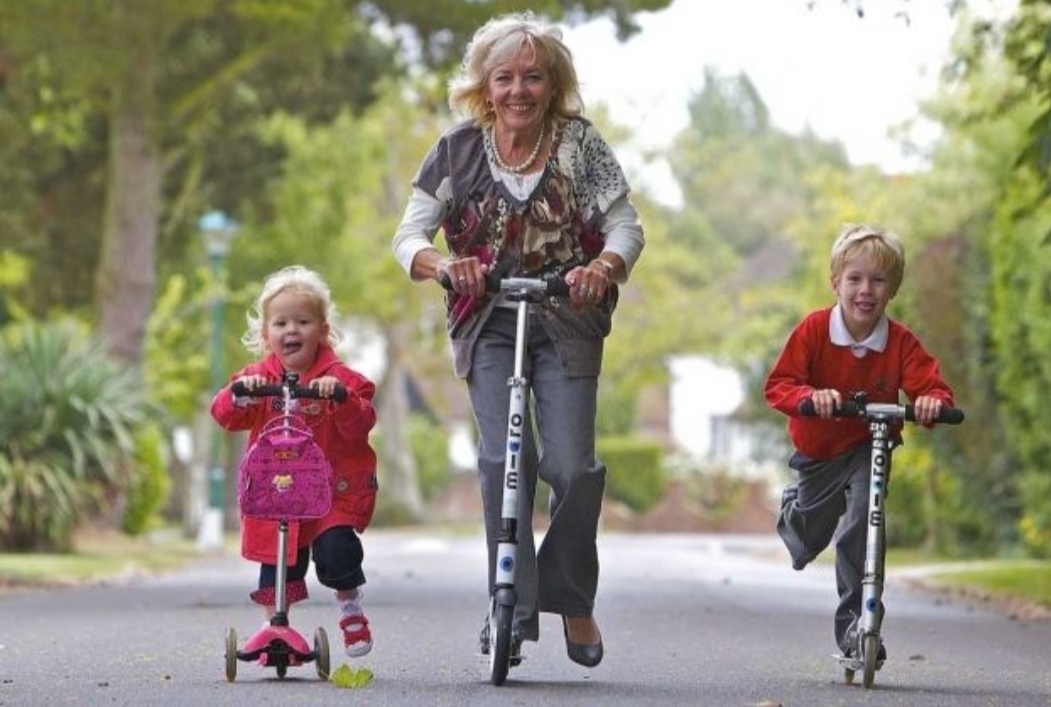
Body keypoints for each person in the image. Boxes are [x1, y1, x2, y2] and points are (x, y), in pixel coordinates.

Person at [391, 12, 644, 668]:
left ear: (552, 83)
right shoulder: (456, 150)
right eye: (504, 78)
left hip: (567, 313)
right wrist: (446, 265)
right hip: (487, 316)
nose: (518, 91)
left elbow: (624, 227)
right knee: (505, 461)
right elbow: (408, 237)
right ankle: (512, 606)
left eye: (533, 77)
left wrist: (603, 268)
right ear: (484, 85)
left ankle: (571, 596)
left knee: (570, 466)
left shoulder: (576, 145)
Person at [764, 224, 955, 664]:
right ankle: (795, 509)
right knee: (807, 540)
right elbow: (779, 385)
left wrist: (931, 403)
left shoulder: (900, 342)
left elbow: (932, 386)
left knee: (863, 527)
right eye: (855, 279)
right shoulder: (815, 330)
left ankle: (858, 626)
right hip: (818, 453)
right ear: (836, 283)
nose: (865, 290)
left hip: (871, 446)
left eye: (878, 280)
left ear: (893, 290)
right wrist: (810, 396)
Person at [211, 265, 379, 658]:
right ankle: (275, 625)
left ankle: (350, 607)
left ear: (322, 330)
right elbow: (223, 414)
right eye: (281, 323)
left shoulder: (343, 380)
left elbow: (362, 423)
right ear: (266, 334)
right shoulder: (257, 378)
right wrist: (242, 394)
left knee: (338, 548)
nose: (291, 330)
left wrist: (339, 398)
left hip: (327, 492)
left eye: (303, 321)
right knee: (276, 563)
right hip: (277, 493)